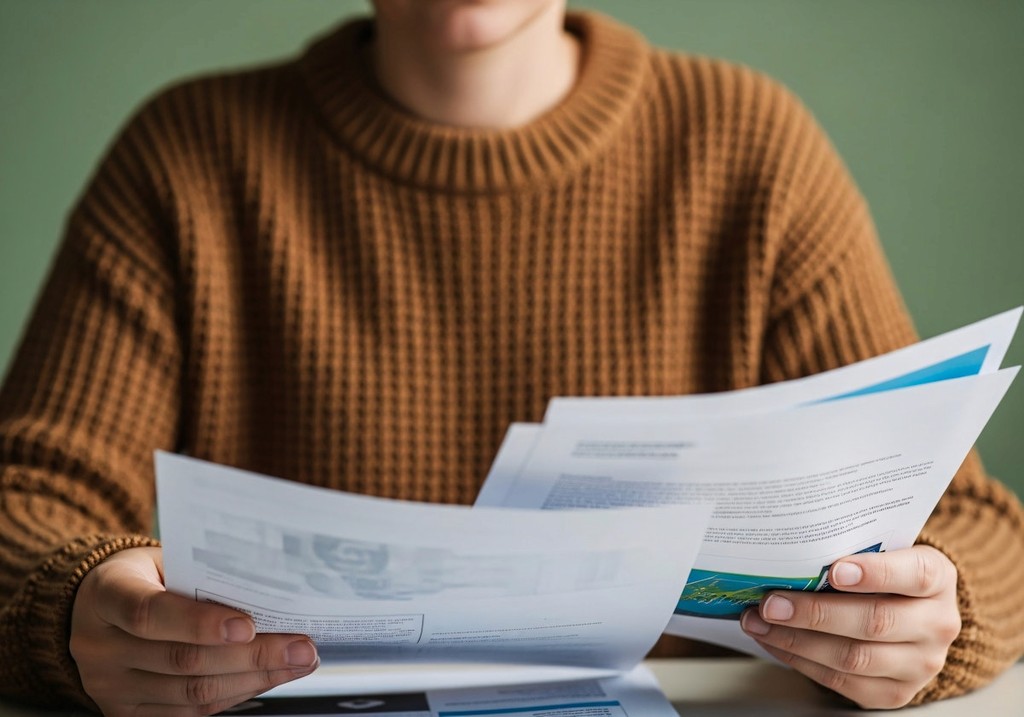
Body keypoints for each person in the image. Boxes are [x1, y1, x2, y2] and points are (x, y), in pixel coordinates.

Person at [0, 1, 1021, 714]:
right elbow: (27, 502)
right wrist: (73, 613)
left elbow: (969, 528)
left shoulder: (750, 152)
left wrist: (935, 618)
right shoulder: (185, 158)